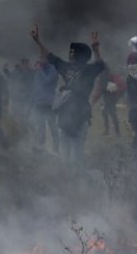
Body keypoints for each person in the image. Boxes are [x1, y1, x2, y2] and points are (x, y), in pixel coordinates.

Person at [30, 24, 105, 167]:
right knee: (66, 159)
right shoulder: (66, 67)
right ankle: (68, 183)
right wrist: (37, 41)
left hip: (80, 117)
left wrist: (96, 50)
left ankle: (81, 184)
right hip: (66, 116)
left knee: (76, 159)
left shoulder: (88, 71)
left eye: (73, 54)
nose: (71, 57)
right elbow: (49, 56)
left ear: (80, 56)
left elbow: (100, 65)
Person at [29, 54, 59, 153]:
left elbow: (47, 82)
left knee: (53, 128)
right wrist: (31, 104)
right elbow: (35, 88)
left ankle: (56, 149)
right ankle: (41, 148)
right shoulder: (38, 71)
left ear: (47, 59)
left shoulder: (52, 70)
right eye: (40, 57)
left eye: (42, 57)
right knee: (40, 128)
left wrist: (40, 70)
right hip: (39, 104)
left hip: (49, 104)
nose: (40, 59)